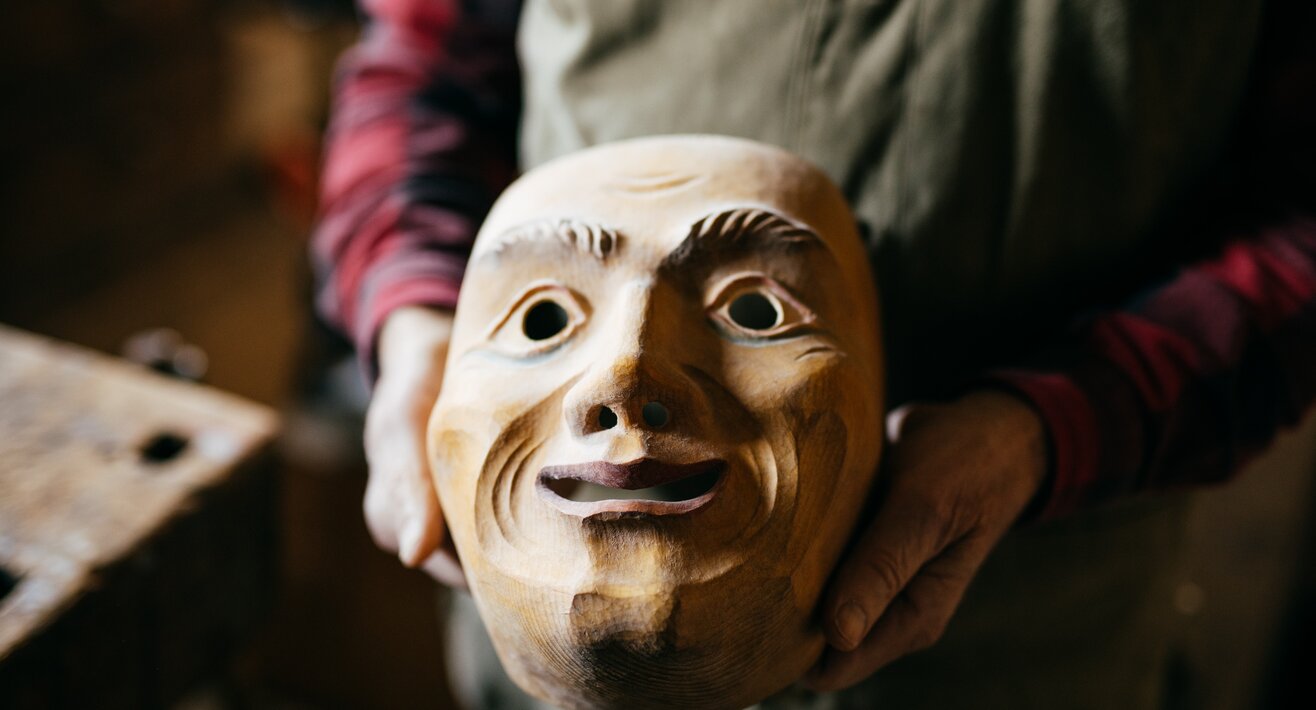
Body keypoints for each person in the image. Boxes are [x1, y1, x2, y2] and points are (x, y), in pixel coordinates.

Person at [312, 0, 1316, 707]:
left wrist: (1054, 423)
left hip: (1020, 642)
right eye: (543, 317)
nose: (624, 376)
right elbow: (422, 73)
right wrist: (417, 325)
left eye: (752, 309)